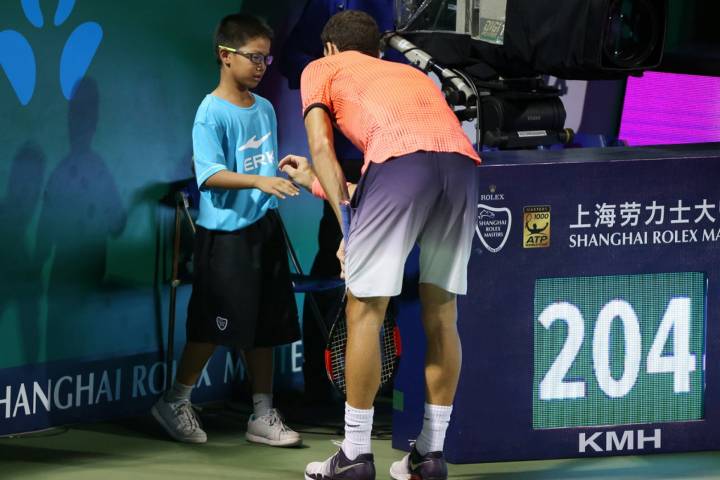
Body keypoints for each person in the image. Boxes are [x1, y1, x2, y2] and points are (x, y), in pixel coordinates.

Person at [280, 10, 481, 480]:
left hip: (399, 165)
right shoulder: (408, 75)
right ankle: (429, 456)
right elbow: (395, 171)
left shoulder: (322, 68)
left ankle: (354, 454)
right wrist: (315, 184)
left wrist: (348, 232)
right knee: (441, 313)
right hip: (461, 166)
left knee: (364, 311)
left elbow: (325, 149)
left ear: (330, 48)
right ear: (378, 50)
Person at [151, 13, 304, 447]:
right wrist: (258, 180)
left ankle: (262, 413)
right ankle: (175, 400)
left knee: (266, 326)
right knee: (213, 325)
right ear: (225, 56)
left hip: (265, 229)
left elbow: (258, 164)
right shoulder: (210, 112)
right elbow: (212, 174)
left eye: (266, 59)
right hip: (226, 237)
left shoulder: (267, 109)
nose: (261, 66)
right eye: (253, 57)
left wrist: (278, 171)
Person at [279, 0, 396, 406]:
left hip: (388, 151)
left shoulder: (389, 8)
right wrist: (334, 77)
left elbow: (398, 62)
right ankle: (320, 381)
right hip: (344, 153)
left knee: (391, 272)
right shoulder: (324, 10)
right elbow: (290, 57)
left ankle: (387, 385)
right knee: (335, 262)